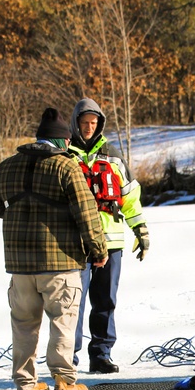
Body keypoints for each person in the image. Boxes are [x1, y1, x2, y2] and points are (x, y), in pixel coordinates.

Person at [0, 108, 107, 390]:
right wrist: (98, 249)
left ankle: (27, 383)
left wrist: (16, 218)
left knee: (24, 324)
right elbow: (87, 212)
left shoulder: (7, 166)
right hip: (60, 263)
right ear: (63, 141)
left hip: (19, 265)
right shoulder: (66, 167)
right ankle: (64, 382)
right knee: (62, 321)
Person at [68, 98, 149, 374]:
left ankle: (101, 354)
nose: (89, 127)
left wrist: (141, 230)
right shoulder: (66, 155)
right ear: (76, 123)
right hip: (76, 244)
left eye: (94, 123)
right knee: (73, 303)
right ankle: (69, 357)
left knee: (105, 302)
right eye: (84, 123)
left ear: (99, 124)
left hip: (111, 242)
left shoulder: (112, 154)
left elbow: (129, 197)